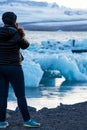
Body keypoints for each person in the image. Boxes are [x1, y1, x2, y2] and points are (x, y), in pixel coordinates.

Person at [0, 12, 40, 128]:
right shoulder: (17, 33)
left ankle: (1, 122)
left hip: (0, 67)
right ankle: (27, 120)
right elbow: (26, 45)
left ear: (3, 21)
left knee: (2, 96)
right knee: (20, 96)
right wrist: (18, 31)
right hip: (14, 68)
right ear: (14, 21)